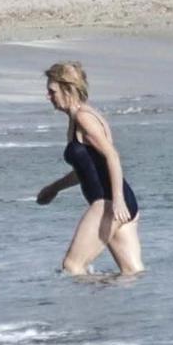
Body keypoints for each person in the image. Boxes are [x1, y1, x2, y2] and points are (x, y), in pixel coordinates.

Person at [35, 61, 142, 276]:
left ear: (68, 89)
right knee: (132, 274)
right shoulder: (81, 117)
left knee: (72, 267)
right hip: (121, 204)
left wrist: (117, 200)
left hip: (109, 204)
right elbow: (89, 169)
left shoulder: (84, 118)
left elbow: (112, 156)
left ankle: (86, 308)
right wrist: (54, 188)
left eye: (52, 91)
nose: (48, 96)